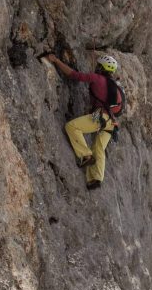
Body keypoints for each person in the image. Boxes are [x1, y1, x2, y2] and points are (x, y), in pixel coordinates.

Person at [46, 53, 122, 190]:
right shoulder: (115, 86)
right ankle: (96, 179)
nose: (96, 67)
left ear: (101, 67)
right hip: (111, 123)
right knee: (99, 149)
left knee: (72, 127)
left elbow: (74, 75)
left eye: (98, 65)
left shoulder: (96, 78)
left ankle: (85, 155)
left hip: (99, 117)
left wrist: (56, 60)